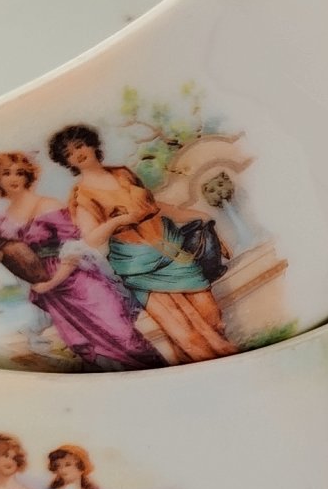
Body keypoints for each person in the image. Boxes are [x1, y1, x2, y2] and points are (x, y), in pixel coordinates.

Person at [49, 124, 237, 363]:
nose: (77, 154)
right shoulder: (82, 195)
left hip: (171, 249)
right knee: (183, 330)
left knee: (211, 315)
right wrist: (121, 221)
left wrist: (196, 215)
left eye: (79, 146)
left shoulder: (122, 173)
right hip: (138, 264)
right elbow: (92, 238)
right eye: (69, 153)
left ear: (91, 144)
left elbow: (154, 207)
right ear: (67, 162)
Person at [0, 150, 162, 369]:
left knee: (123, 337)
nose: (14, 178)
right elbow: (15, 260)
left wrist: (52, 282)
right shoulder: (3, 221)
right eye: (6, 173)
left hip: (79, 281)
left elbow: (75, 248)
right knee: (85, 346)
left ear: (27, 175)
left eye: (19, 172)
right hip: (53, 293)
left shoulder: (47, 205)